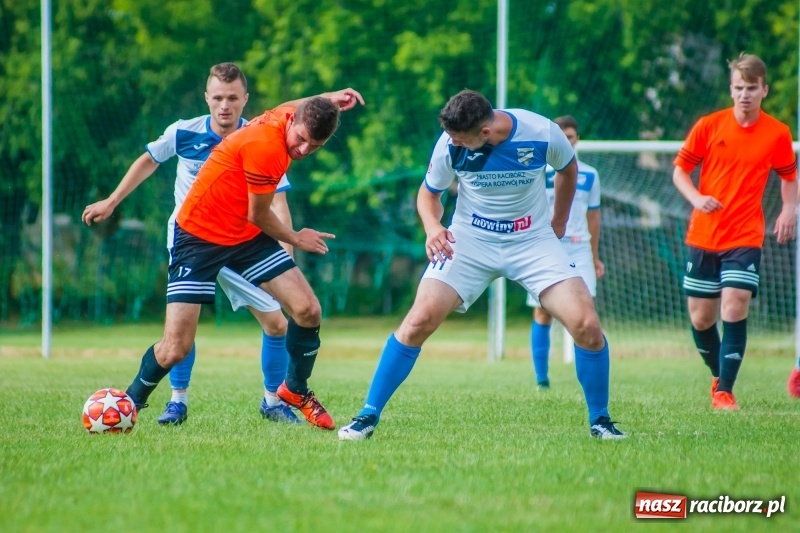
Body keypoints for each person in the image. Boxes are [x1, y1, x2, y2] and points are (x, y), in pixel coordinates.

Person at [338, 89, 626, 441]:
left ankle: (601, 421)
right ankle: (367, 416)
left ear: (485, 133)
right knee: (418, 320)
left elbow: (568, 169)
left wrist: (559, 222)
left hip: (532, 241)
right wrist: (433, 228)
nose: (453, 143)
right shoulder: (450, 144)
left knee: (586, 324)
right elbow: (429, 193)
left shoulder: (542, 132)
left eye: (461, 139)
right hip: (470, 241)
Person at [105, 84, 364, 430]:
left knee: (307, 309)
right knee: (174, 348)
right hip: (198, 236)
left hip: (243, 237)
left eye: (313, 146)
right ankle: (129, 403)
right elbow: (261, 215)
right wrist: (295, 238)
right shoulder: (265, 147)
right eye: (300, 139)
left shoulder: (287, 116)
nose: (302, 150)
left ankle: (294, 390)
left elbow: (294, 103)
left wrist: (329, 98)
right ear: (292, 124)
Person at [83, 63, 300, 426]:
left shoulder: (262, 137)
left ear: (246, 99)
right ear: (207, 98)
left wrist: (286, 248)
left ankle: (273, 402)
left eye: (233, 97)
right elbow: (149, 160)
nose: (225, 105)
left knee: (277, 323)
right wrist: (112, 200)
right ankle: (177, 402)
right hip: (191, 241)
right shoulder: (184, 132)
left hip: (242, 243)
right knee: (182, 332)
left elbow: (278, 199)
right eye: (218, 97)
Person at [672, 53, 797, 410]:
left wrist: (789, 209)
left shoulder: (777, 133)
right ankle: (717, 373)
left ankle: (725, 391)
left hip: (745, 236)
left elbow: (789, 177)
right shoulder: (710, 126)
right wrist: (697, 198)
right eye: (739, 88)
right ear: (731, 90)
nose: (745, 94)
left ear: (764, 90)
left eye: (751, 88)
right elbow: (680, 171)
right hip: (704, 236)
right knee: (701, 317)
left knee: (735, 304)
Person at [526, 115, 603, 389]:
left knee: (586, 313)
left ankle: (587, 380)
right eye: (562, 137)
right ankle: (542, 380)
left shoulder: (590, 174)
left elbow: (594, 217)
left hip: (579, 248)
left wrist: (594, 256)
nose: (567, 142)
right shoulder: (537, 172)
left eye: (571, 137)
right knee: (542, 311)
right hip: (547, 247)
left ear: (577, 139)